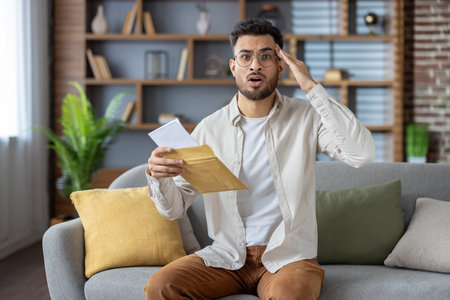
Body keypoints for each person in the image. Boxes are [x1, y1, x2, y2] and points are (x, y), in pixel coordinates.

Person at [144, 19, 375, 300]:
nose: (255, 65)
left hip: (288, 257)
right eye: (245, 57)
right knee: (160, 286)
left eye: (265, 56)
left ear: (280, 65)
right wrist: (159, 178)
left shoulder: (305, 118)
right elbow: (174, 209)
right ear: (234, 67)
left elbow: (361, 153)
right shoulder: (209, 129)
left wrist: (311, 87)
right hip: (227, 257)